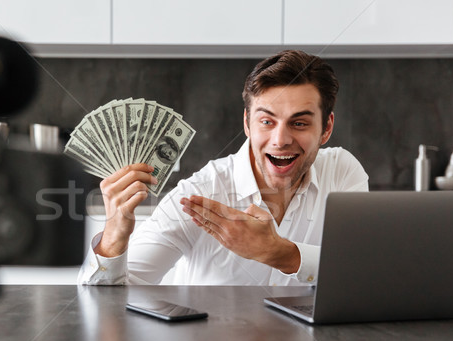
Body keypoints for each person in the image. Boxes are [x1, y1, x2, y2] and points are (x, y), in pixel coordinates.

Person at [78, 50, 369, 286]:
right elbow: (107, 304)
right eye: (267, 121)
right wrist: (114, 236)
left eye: (300, 123)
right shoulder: (200, 194)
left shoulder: (342, 173)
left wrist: (278, 253)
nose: (280, 140)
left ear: (326, 128)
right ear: (247, 123)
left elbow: (364, 273)